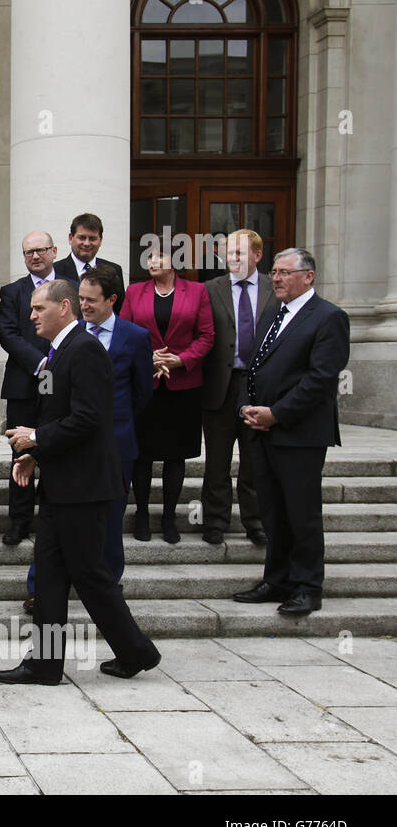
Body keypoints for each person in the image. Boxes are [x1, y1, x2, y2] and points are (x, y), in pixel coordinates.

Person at [0, 280, 161, 684]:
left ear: (63, 307)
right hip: (63, 483)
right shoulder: (62, 350)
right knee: (51, 576)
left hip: (84, 489)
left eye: (39, 308)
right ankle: (46, 664)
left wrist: (35, 438)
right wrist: (38, 453)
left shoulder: (84, 350)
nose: (31, 315)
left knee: (89, 575)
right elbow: (64, 417)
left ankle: (137, 651)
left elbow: (89, 418)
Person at [235, 248, 350, 616]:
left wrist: (277, 414)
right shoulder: (272, 314)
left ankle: (307, 587)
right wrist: (246, 407)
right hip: (263, 431)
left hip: (300, 434)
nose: (277, 279)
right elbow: (252, 367)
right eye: (274, 272)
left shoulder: (329, 318)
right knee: (272, 510)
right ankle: (277, 580)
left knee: (301, 512)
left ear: (308, 276)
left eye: (285, 272)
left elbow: (319, 380)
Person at [120, 252, 215, 543]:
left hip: (183, 385)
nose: (151, 262)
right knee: (143, 455)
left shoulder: (197, 291)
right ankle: (142, 515)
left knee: (176, 455)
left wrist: (181, 360)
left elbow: (206, 335)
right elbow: (124, 331)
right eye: (148, 257)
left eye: (159, 257)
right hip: (146, 384)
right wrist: (147, 357)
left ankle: (170, 517)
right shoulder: (135, 291)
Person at [0, 231, 75, 546]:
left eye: (40, 250)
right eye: (28, 252)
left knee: (55, 448)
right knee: (21, 451)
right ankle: (19, 520)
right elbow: (8, 334)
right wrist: (42, 362)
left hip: (62, 384)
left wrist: (57, 364)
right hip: (24, 383)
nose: (34, 256)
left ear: (54, 251)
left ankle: (53, 516)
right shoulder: (13, 291)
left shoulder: (69, 287)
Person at [200, 228, 271, 546]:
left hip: (259, 386)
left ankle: (254, 521)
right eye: (229, 253)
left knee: (254, 460)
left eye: (240, 253)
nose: (233, 259)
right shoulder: (210, 289)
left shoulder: (274, 288)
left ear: (257, 255)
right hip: (220, 386)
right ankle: (215, 520)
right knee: (217, 460)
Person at [53, 214, 124, 296]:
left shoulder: (114, 270)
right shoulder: (55, 270)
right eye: (82, 238)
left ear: (100, 240)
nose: (87, 243)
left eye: (92, 238)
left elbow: (119, 307)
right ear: (70, 238)